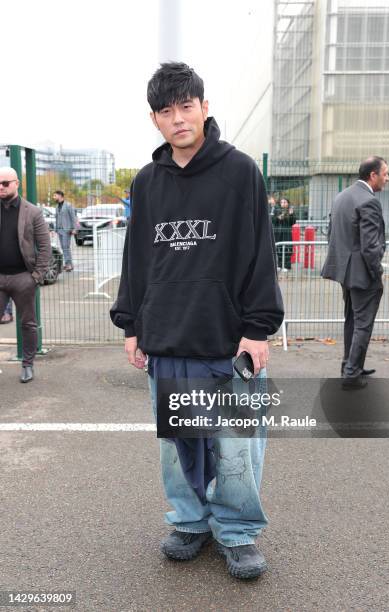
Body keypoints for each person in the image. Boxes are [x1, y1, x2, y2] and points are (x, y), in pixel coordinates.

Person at [111, 62, 284, 580]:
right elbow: (138, 260)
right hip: (166, 335)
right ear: (154, 120)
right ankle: (190, 520)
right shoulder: (148, 181)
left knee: (234, 443)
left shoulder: (240, 172)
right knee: (177, 445)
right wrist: (132, 325)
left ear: (205, 109)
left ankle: (237, 530)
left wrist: (258, 329)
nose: (178, 118)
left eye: (187, 106)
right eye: (166, 111)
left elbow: (259, 252)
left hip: (226, 337)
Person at [321, 156, 389, 390]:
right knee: (362, 324)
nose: (387, 178)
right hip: (363, 274)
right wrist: (377, 272)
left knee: (352, 320)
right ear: (373, 175)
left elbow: (331, 234)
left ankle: (350, 365)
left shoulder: (342, 196)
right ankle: (351, 373)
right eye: (385, 174)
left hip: (345, 273)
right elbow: (371, 247)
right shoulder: (368, 201)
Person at [0, 167, 51, 382]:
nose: (1, 187)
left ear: (17, 184)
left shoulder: (32, 212)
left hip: (23, 277)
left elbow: (45, 246)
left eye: (5, 183)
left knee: (28, 324)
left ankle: (28, 364)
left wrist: (36, 277)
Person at [53, 190, 77, 271]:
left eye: (55, 196)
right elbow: (56, 218)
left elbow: (73, 217)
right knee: (63, 247)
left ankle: (68, 265)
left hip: (67, 230)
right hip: (59, 230)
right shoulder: (57, 206)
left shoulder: (68, 205)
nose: (54, 197)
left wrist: (74, 228)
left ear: (60, 195)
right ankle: (69, 264)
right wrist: (55, 229)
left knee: (66, 247)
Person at [272, 197, 296, 271]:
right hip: (278, 233)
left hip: (287, 233)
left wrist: (291, 214)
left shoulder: (290, 210)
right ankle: (279, 265)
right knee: (278, 249)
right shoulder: (276, 210)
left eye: (285, 202)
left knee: (287, 249)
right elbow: (272, 220)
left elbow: (293, 222)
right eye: (282, 202)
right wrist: (278, 218)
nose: (283, 204)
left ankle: (287, 266)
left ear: (288, 203)